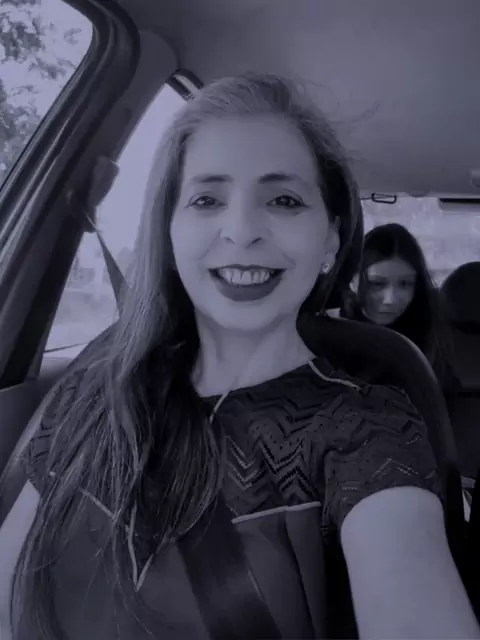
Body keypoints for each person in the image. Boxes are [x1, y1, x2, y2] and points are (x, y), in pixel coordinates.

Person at [0, 74, 478, 640]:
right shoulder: (89, 394)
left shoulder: (368, 433)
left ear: (330, 239)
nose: (243, 230)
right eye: (206, 199)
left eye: (284, 200)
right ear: (170, 231)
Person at [342, 223, 459, 394]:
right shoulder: (331, 334)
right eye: (377, 283)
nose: (390, 299)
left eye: (405, 284)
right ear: (353, 280)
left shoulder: (431, 340)